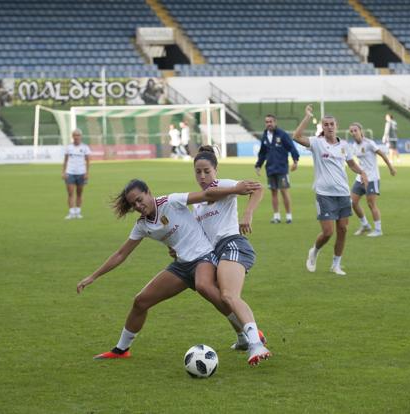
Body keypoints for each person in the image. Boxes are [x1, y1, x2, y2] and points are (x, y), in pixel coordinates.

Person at [76, 178, 272, 366]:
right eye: (132, 204)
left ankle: (249, 333)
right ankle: (121, 349)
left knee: (204, 286)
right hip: (181, 266)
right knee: (141, 301)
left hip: (204, 256)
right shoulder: (142, 225)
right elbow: (120, 254)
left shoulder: (171, 201)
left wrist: (235, 190)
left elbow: (205, 195)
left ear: (148, 193)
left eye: (139, 199)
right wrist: (93, 276)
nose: (137, 205)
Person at [191, 146, 270, 362]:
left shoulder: (223, 185)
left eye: (207, 170)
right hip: (215, 252)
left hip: (233, 244)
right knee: (208, 290)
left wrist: (247, 213)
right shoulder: (197, 203)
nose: (203, 176)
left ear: (215, 169)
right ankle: (242, 337)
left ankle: (256, 344)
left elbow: (258, 188)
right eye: (198, 172)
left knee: (228, 295)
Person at [292, 105, 368, 276]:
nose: (329, 127)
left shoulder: (345, 146)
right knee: (328, 232)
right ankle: (314, 251)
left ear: (337, 126)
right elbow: (296, 137)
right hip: (324, 194)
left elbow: (351, 164)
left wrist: (362, 172)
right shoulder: (317, 143)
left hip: (342, 193)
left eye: (332, 124)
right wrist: (307, 117)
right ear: (322, 127)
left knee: (343, 230)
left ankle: (336, 265)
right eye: (326, 124)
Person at [349, 122, 396, 237]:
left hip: (372, 178)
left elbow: (382, 155)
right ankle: (365, 225)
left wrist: (391, 168)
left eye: (355, 130)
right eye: (351, 131)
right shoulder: (354, 146)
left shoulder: (369, 143)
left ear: (361, 131)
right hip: (360, 178)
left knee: (371, 204)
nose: (353, 133)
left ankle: (378, 230)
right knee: (352, 203)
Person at [255, 114, 299, 224]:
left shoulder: (282, 134)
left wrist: (295, 161)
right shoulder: (265, 136)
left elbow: (291, 147)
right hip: (270, 169)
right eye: (267, 122)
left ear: (275, 122)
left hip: (281, 168)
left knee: (284, 192)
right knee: (273, 193)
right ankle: (276, 216)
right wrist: (258, 165)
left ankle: (289, 216)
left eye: (270, 121)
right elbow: (262, 152)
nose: (268, 124)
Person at [62, 129, 90, 219]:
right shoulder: (69, 147)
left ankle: (78, 212)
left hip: (81, 173)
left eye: (78, 135)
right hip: (70, 172)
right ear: (72, 136)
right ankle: (71, 213)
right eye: (75, 135)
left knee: (79, 193)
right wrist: (64, 172)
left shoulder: (85, 147)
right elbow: (65, 160)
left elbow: (88, 161)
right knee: (70, 193)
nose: (76, 137)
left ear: (81, 136)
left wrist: (87, 173)